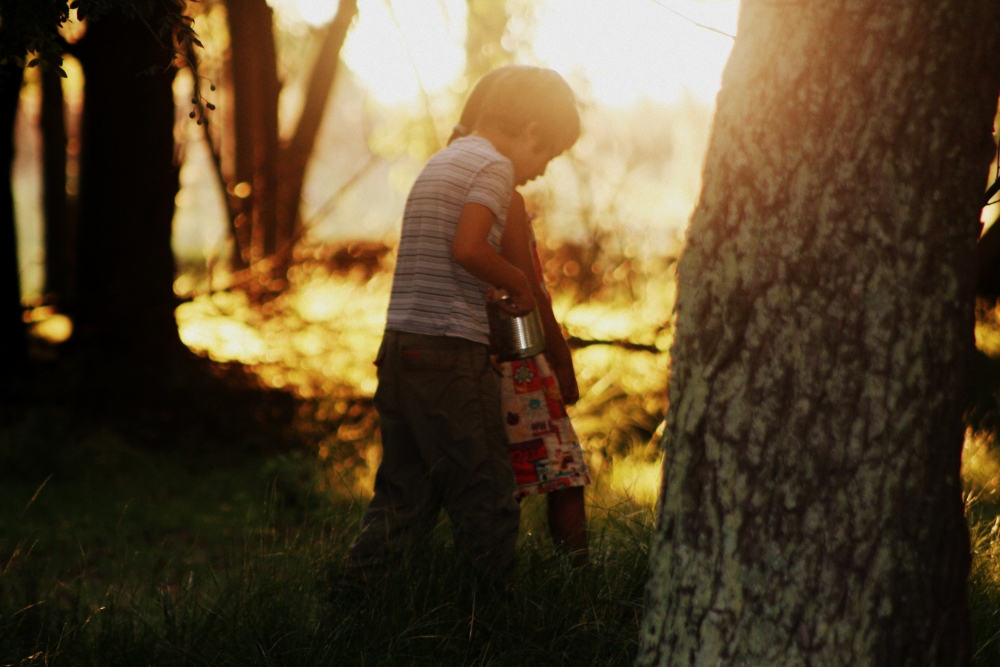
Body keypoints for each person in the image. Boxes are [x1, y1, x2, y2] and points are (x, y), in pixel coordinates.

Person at [345, 66, 581, 584]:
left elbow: (441, 260)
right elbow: (469, 248)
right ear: (533, 131)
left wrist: (488, 284)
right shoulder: (494, 168)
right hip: (451, 356)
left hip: (401, 347)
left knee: (403, 493)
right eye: (547, 155)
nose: (540, 170)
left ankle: (350, 605)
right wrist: (517, 282)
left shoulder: (442, 162)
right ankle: (490, 625)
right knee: (486, 493)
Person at [449, 70, 590, 564]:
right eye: (547, 154)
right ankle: (577, 578)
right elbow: (529, 287)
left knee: (487, 479)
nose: (546, 169)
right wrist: (561, 357)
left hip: (472, 358)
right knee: (564, 474)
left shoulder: (455, 179)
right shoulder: (504, 197)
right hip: (519, 361)